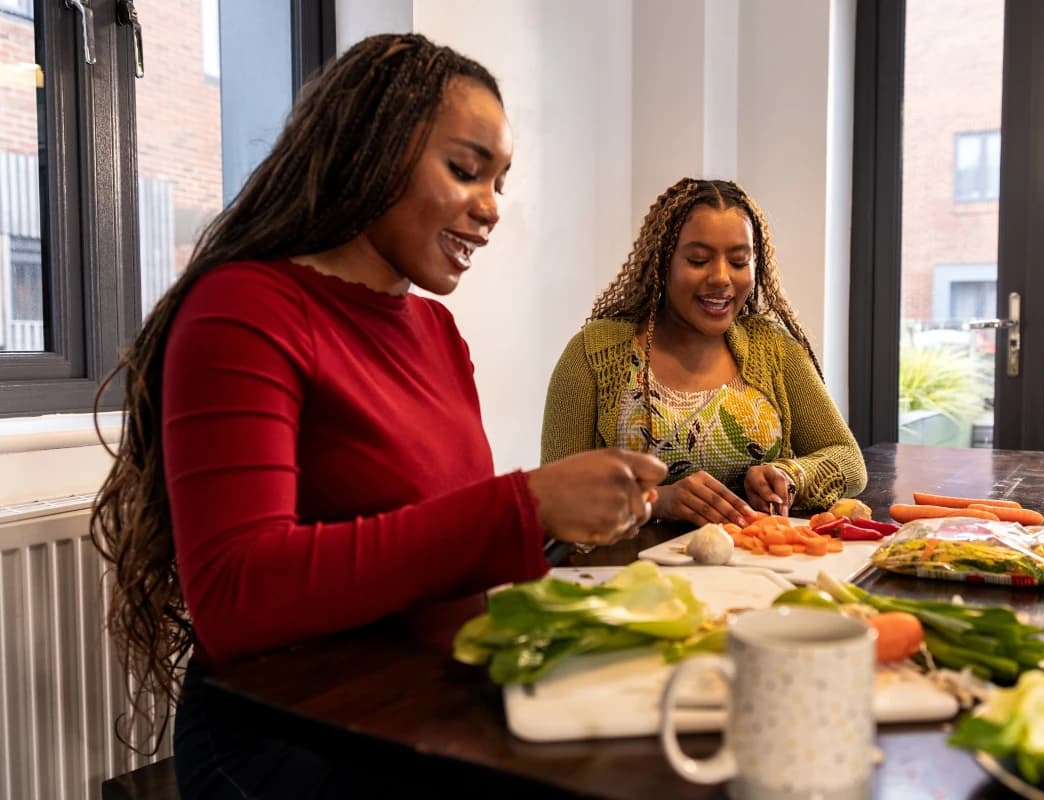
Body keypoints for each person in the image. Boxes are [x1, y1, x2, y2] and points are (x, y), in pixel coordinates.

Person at [88, 33, 665, 799]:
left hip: (418, 705)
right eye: (465, 170)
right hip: (293, 738)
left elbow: (435, 541)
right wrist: (521, 507)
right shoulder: (244, 309)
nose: (491, 208)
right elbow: (235, 594)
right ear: (374, 148)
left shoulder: (436, 331)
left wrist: (555, 533)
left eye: (499, 182)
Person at [541, 178, 866, 528]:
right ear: (663, 262)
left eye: (739, 262)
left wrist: (790, 475)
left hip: (756, 559)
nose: (721, 278)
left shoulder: (773, 348)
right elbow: (555, 497)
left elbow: (848, 459)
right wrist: (657, 501)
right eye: (698, 260)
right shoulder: (594, 354)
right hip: (630, 562)